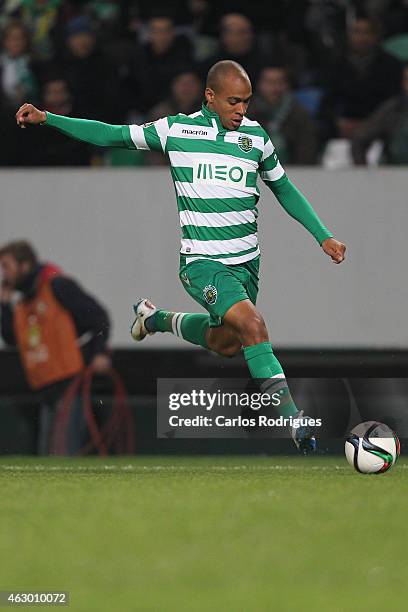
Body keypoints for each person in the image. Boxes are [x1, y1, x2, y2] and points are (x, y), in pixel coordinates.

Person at [15, 60, 346, 452]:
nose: (242, 109)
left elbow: (285, 189)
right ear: (210, 97)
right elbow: (111, 136)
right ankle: (293, 420)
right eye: (234, 101)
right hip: (202, 264)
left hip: (247, 264)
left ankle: (156, 319)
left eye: (247, 102)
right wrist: (48, 118)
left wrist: (323, 236)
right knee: (254, 326)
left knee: (227, 344)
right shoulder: (176, 130)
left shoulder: (256, 138)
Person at [0, 240, 111, 454]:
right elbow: (13, 340)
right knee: (49, 455)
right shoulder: (24, 302)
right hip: (45, 387)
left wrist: (99, 353)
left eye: (6, 266)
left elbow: (99, 318)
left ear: (24, 266)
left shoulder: (57, 286)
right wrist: (4, 306)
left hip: (67, 384)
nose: (4, 274)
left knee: (62, 452)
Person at [249, 65, 318, 165]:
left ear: (287, 85)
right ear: (260, 85)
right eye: (269, 82)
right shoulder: (248, 112)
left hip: (293, 171)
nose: (274, 88)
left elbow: (307, 146)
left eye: (279, 82)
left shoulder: (299, 113)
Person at [351, 64, 408, 165]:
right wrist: (362, 171)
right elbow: (360, 139)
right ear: (403, 83)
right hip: (395, 174)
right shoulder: (392, 109)